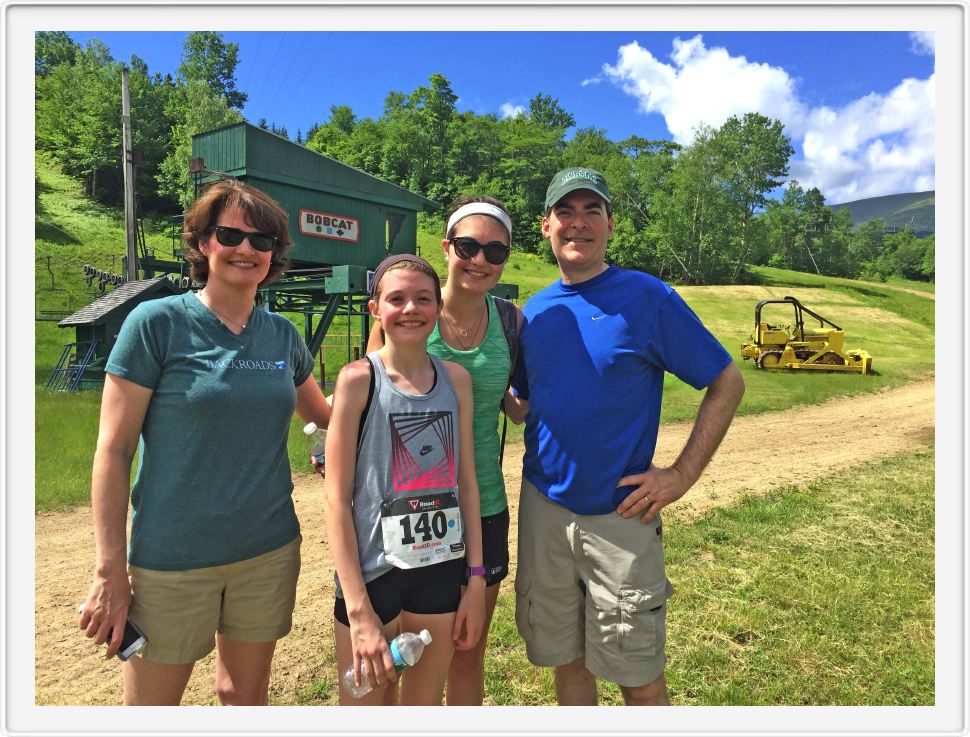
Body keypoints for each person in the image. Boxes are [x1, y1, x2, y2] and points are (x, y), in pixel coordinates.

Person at [78, 179, 332, 706]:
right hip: (171, 559)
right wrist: (110, 570)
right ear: (201, 243)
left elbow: (326, 416)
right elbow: (114, 451)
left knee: (244, 695)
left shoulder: (282, 335)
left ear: (274, 255)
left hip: (268, 552)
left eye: (262, 241)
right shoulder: (156, 324)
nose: (246, 249)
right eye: (231, 234)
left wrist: (389, 376)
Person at [510, 167, 745, 706]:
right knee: (566, 663)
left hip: (621, 518)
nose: (579, 223)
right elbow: (522, 407)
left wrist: (682, 474)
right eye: (565, 212)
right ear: (545, 226)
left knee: (638, 679)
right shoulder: (535, 312)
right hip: (543, 511)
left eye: (592, 210)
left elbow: (726, 380)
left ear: (611, 225)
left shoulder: (646, 297)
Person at [365, 195, 523, 705]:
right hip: (407, 509)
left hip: (484, 506)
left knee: (466, 651)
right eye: (468, 246)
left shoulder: (511, 323)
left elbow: (519, 404)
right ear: (447, 246)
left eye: (494, 252)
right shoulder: (409, 311)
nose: (479, 260)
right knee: (398, 656)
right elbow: (369, 399)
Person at [326, 254, 486, 706]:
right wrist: (358, 611)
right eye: (396, 299)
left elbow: (467, 484)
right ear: (375, 308)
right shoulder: (358, 380)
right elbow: (336, 499)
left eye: (423, 299)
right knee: (363, 707)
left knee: (423, 705)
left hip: (437, 569)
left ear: (438, 307)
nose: (411, 309)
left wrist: (475, 580)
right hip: (373, 575)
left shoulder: (457, 380)